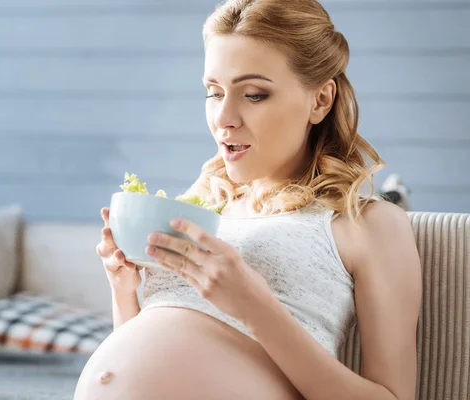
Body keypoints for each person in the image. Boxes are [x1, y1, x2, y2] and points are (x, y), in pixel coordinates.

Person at [74, 0, 422, 399]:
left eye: (254, 94)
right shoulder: (200, 207)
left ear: (320, 101)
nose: (224, 117)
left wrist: (255, 306)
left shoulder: (365, 224)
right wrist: (123, 288)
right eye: (213, 92)